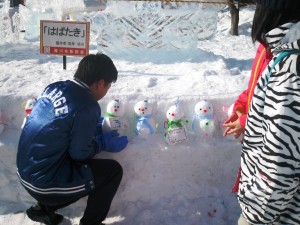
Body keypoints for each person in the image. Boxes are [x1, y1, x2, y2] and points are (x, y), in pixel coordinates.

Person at [16, 53, 128, 225]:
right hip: (43, 185)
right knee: (112, 171)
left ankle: (42, 209)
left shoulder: (53, 88)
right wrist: (101, 143)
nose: (106, 91)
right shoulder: (87, 104)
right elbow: (80, 155)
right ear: (100, 83)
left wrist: (89, 127)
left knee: (56, 153)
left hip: (25, 173)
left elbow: (58, 127)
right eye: (108, 86)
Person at [235, 0, 300, 224]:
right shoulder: (285, 54)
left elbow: (279, 169)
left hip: (278, 215)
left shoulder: (291, 72)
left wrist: (252, 214)